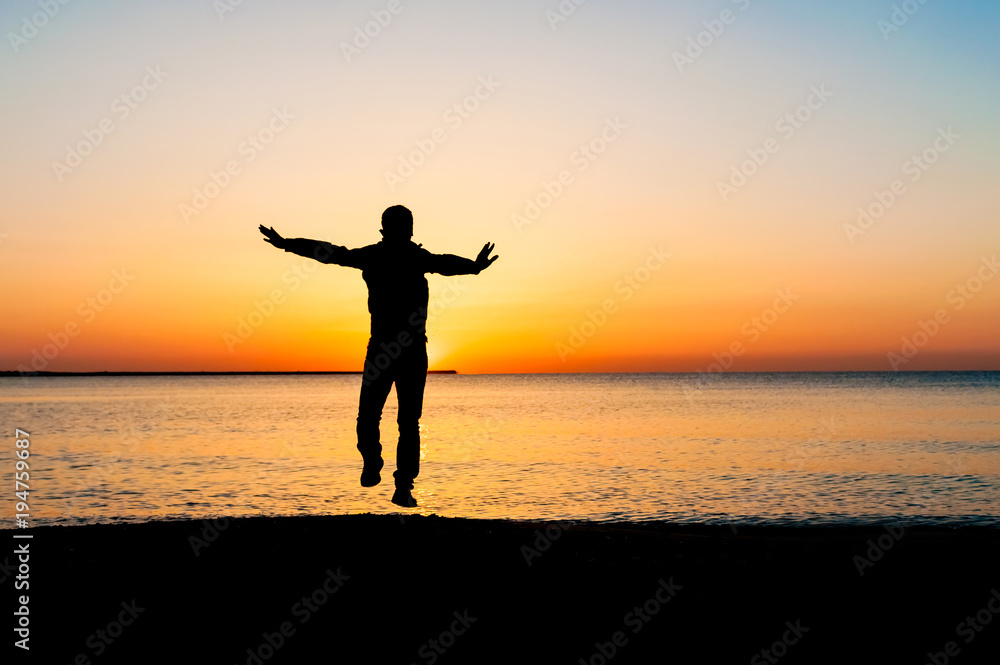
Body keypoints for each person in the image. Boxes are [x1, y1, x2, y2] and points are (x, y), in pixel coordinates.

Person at [258, 205, 498, 507]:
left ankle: (389, 474)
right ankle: (389, 474)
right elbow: (332, 252)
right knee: (396, 419)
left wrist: (287, 244)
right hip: (401, 349)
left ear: (387, 229)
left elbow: (332, 253)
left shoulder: (387, 255)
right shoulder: (403, 256)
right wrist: (288, 244)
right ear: (402, 230)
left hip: (392, 349)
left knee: (388, 417)